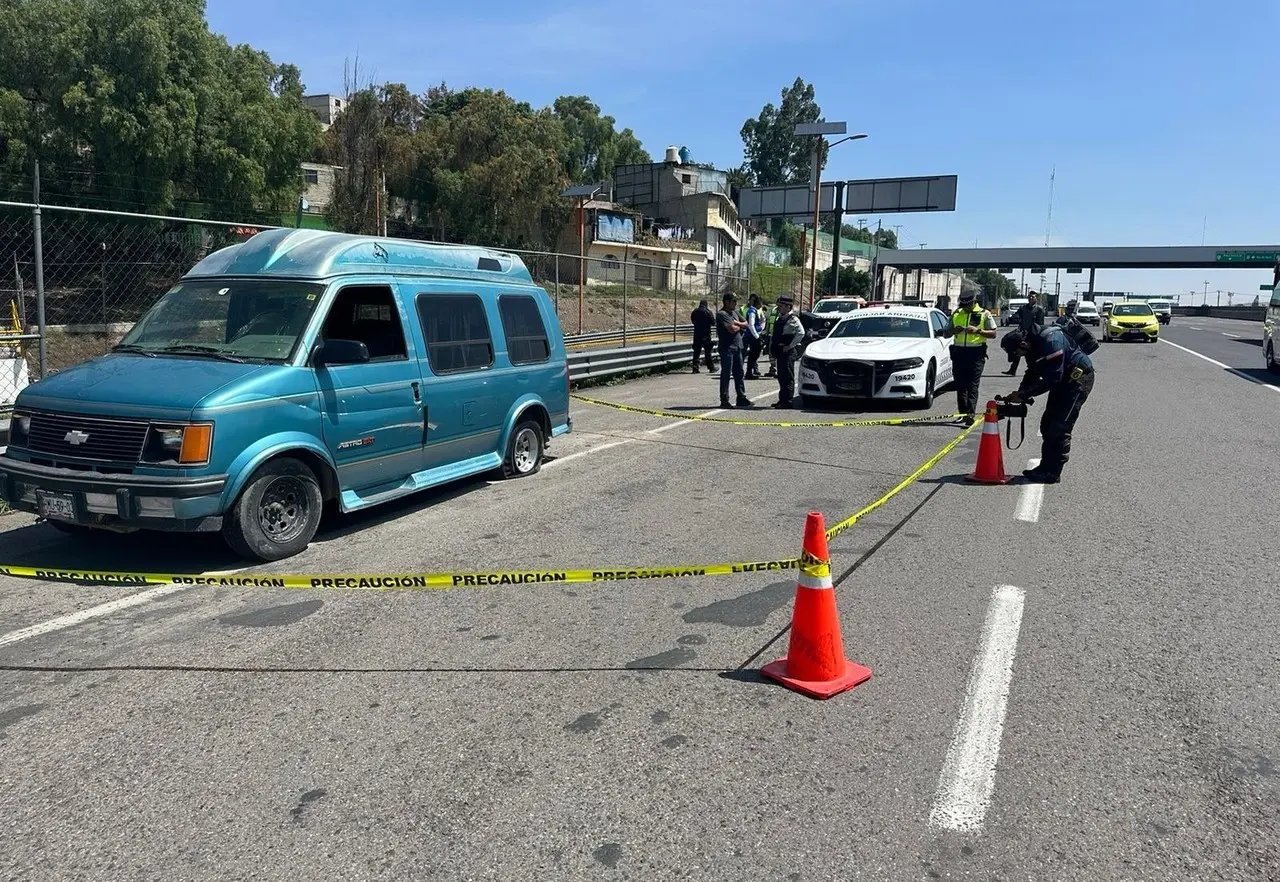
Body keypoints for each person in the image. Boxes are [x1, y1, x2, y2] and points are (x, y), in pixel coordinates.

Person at [1000, 323, 1095, 484]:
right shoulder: (1032, 345)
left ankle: (1053, 473)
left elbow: (1052, 378)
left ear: (1023, 344)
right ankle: (1044, 468)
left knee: (1059, 427)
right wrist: (1020, 393)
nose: (1019, 356)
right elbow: (1032, 372)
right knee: (1047, 424)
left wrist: (1024, 395)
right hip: (1063, 381)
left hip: (1077, 381)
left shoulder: (1052, 343)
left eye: (1017, 353)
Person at [939, 290, 997, 421]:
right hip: (959, 353)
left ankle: (970, 415)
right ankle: (962, 414)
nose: (964, 308)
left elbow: (993, 334)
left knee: (972, 385)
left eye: (967, 305)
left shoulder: (984, 314)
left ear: (973, 302)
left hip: (976, 354)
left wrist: (978, 331)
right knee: (960, 385)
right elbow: (945, 333)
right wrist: (955, 330)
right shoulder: (957, 313)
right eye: (962, 305)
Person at [770, 295, 806, 408]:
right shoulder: (780, 318)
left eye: (781, 306)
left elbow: (801, 333)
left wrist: (790, 346)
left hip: (788, 352)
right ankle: (782, 400)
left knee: (787, 377)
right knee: (781, 377)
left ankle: (787, 401)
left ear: (788, 306)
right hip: (780, 351)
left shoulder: (793, 319)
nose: (779, 308)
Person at [716, 292, 750, 408]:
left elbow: (746, 323)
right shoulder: (722, 314)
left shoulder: (734, 313)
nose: (736, 304)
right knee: (726, 374)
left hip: (737, 347)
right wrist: (739, 326)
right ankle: (724, 399)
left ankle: (741, 397)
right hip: (727, 348)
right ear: (727, 302)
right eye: (733, 301)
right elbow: (731, 329)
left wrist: (737, 324)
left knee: (739, 373)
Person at [1003, 292, 1045, 376]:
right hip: (1022, 332)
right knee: (1017, 350)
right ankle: (1013, 370)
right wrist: (1014, 319)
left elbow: (1040, 323)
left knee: (1030, 353)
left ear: (1036, 299)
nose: (1031, 298)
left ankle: (1033, 370)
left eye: (1033, 297)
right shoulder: (1023, 308)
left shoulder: (1039, 309)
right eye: (1029, 297)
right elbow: (1017, 316)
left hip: (1033, 334)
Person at [690, 299, 715, 373]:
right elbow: (713, 322)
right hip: (706, 335)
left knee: (696, 353)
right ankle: (711, 368)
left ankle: (695, 368)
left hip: (697, 335)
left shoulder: (695, 311)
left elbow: (693, 320)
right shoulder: (708, 312)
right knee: (708, 353)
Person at [745, 294, 766, 379]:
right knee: (753, 355)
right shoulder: (752, 312)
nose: (761, 305)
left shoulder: (754, 311)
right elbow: (751, 325)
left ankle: (750, 372)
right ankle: (749, 372)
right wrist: (757, 337)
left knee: (754, 355)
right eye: (761, 303)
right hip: (753, 336)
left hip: (755, 335)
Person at [765, 301, 779, 377]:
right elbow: (769, 322)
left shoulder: (783, 312)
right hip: (771, 335)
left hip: (778, 336)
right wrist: (767, 333)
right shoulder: (773, 310)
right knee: (771, 354)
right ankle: (773, 369)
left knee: (777, 353)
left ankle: (777, 370)